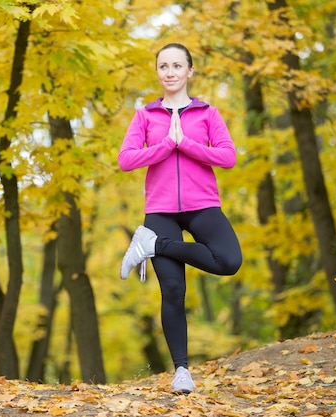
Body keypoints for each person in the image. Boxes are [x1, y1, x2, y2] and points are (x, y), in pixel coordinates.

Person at [118, 43, 243, 394]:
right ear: (157, 73)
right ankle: (182, 371)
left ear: (190, 71)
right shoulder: (145, 115)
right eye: (163, 66)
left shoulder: (208, 113)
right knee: (173, 290)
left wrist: (185, 143)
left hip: (202, 204)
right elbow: (126, 159)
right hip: (160, 210)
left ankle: (152, 244)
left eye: (177, 66)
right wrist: (165, 146)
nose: (170, 72)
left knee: (229, 261)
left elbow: (228, 157)